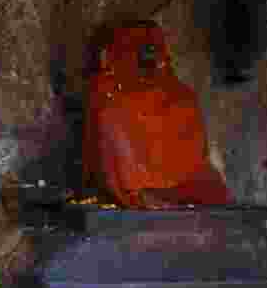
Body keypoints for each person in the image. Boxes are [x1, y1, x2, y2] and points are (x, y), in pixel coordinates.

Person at [82, 21, 233, 209]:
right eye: (140, 48)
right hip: (136, 195)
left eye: (153, 48)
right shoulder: (108, 99)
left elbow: (199, 169)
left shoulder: (183, 99)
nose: (151, 57)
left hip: (184, 194)